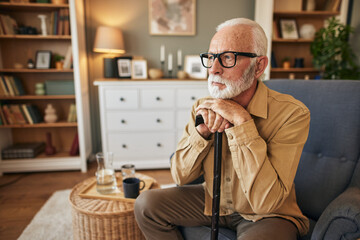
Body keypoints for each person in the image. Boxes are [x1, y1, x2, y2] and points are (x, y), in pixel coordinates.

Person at [134, 18, 310, 240]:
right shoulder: (203, 108)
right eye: (211, 57)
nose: (214, 69)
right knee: (146, 205)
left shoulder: (293, 114)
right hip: (215, 199)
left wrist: (242, 123)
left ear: (259, 66)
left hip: (267, 214)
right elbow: (180, 176)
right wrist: (202, 134)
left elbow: (265, 201)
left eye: (228, 57)